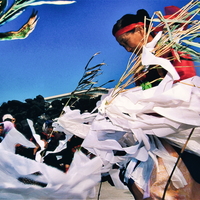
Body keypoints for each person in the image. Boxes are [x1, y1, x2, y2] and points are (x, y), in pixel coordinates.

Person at [111, 7, 199, 199]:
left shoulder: (169, 47)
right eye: (122, 46)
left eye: (126, 42)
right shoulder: (139, 65)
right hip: (155, 126)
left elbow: (185, 81)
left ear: (140, 30)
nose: (127, 49)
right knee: (134, 175)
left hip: (180, 118)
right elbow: (144, 90)